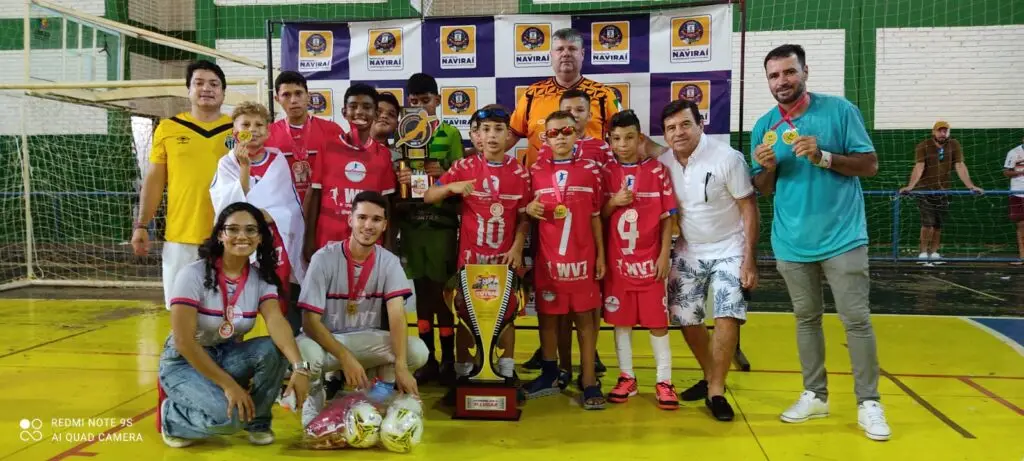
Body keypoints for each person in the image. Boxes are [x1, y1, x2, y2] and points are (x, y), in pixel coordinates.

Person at [750, 44, 890, 441]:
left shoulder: (840, 111)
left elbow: (870, 165)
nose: (782, 81)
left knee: (856, 320)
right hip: (792, 241)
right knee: (806, 319)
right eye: (774, 75)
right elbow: (764, 188)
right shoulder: (764, 126)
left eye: (789, 72)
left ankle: (869, 403)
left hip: (843, 237)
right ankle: (815, 395)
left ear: (805, 72)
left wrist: (825, 156)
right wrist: (767, 168)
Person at [158, 202, 309, 448]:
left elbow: (276, 321)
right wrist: (229, 385)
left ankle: (257, 421)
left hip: (226, 355)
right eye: (233, 229)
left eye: (251, 230)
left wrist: (300, 367)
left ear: (260, 237)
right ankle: (173, 417)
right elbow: (184, 342)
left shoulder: (261, 278)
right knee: (230, 419)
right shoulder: (192, 275)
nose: (242, 236)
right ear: (220, 235)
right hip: (185, 362)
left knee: (273, 349)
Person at [657, 99, 760, 421]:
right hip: (689, 249)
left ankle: (716, 391)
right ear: (665, 134)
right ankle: (710, 375)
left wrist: (750, 259)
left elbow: (749, 208)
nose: (679, 132)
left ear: (700, 124)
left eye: (685, 124)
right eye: (671, 128)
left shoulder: (728, 158)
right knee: (684, 316)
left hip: (730, 248)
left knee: (727, 312)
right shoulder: (663, 162)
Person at [296, 191, 427, 427]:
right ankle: (314, 399)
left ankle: (377, 398)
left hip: (365, 339)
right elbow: (309, 322)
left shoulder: (389, 261)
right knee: (308, 356)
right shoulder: (323, 258)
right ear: (350, 220)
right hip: (326, 342)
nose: (368, 225)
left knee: (416, 351)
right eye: (362, 217)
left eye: (376, 219)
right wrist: (345, 357)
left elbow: (397, 316)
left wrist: (401, 366)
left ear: (385, 225)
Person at [425, 104, 530, 392]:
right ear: (477, 136)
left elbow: (524, 217)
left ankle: (506, 371)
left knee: (507, 317)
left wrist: (518, 247)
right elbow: (429, 195)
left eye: (499, 129)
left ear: (509, 135)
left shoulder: (520, 172)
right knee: (465, 317)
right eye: (486, 130)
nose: (492, 135)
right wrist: (451, 188)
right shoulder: (464, 167)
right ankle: (463, 373)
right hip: (471, 261)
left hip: (503, 261)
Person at [133, 60, 233, 309]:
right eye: (199, 83)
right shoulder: (168, 128)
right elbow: (154, 180)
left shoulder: (238, 130)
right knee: (181, 310)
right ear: (188, 90)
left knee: (227, 310)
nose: (206, 88)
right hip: (181, 235)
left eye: (214, 84)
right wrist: (142, 224)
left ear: (223, 92)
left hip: (229, 236)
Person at [523, 111, 606, 410]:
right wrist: (529, 209)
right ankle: (550, 373)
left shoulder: (590, 170)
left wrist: (601, 256)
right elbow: (525, 211)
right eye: (553, 132)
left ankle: (589, 380)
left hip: (582, 259)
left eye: (567, 131)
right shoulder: (535, 171)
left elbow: (596, 217)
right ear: (545, 137)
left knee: (585, 320)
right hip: (548, 261)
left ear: (577, 133)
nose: (560, 137)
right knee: (548, 318)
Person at [600, 110, 678, 410]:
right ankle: (627, 377)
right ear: (609, 141)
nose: (623, 144)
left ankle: (664, 380)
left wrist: (664, 255)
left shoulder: (657, 171)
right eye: (616, 139)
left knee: (657, 323)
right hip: (618, 266)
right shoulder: (605, 172)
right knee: (621, 323)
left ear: (640, 138)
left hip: (649, 265)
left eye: (629, 137)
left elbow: (667, 218)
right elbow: (597, 216)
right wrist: (613, 202)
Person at [210, 101, 305, 333]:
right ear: (235, 131)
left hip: (273, 240)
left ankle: (284, 345)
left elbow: (289, 206)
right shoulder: (227, 163)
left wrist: (268, 216)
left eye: (259, 124)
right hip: (239, 242)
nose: (253, 129)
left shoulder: (277, 160)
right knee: (237, 298)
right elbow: (229, 208)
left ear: (268, 131)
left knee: (278, 298)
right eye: (246, 125)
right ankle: (233, 342)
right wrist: (244, 168)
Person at [397, 73, 465, 386]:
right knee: (422, 293)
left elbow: (462, 175)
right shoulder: (402, 133)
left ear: (437, 100)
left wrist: (445, 172)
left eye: (426, 100)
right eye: (414, 101)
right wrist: (402, 177)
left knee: (442, 293)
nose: (420, 106)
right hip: (413, 226)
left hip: (441, 225)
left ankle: (449, 359)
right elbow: (396, 172)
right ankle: (428, 359)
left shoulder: (449, 133)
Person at [303, 84, 402, 260]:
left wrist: (387, 243)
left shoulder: (383, 154)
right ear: (344, 112)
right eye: (353, 106)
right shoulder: (327, 147)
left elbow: (385, 202)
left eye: (367, 107)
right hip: (328, 240)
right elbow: (316, 194)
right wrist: (309, 240)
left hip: (368, 241)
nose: (359, 112)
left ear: (375, 114)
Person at [508, 28, 628, 168]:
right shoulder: (531, 94)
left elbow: (628, 130)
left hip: (591, 177)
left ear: (582, 54)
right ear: (551, 55)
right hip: (540, 178)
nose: (566, 54)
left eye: (572, 49)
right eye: (560, 49)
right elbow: (511, 135)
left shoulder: (606, 94)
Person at [898, 121, 984, 263]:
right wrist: (910, 186)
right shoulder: (924, 145)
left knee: (938, 224)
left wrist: (970, 186)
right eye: (940, 131)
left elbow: (960, 165)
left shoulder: (954, 145)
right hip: (925, 190)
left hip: (944, 190)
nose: (942, 134)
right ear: (933, 132)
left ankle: (934, 252)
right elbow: (919, 166)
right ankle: (923, 252)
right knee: (927, 223)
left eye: (945, 131)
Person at [265, 71, 345, 206]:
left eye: (298, 93)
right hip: (283, 209)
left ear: (308, 96)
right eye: (286, 95)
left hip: (323, 208)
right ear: (277, 99)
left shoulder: (332, 130)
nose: (293, 100)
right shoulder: (268, 134)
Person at [1004, 136, 1024, 265]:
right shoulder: (1013, 152)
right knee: (1021, 226)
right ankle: (1022, 257)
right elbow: (1006, 172)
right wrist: (1020, 172)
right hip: (1018, 193)